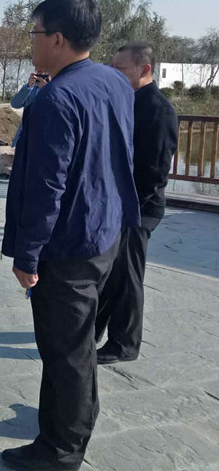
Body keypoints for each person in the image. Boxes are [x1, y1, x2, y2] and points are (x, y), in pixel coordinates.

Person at [1, 0, 140, 471]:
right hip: (105, 231)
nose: (31, 42)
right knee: (76, 344)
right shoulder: (113, 81)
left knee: (65, 350)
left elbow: (47, 188)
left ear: (57, 38)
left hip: (67, 245)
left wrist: (27, 256)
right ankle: (71, 421)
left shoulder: (55, 99)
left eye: (34, 33)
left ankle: (62, 446)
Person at [95, 43, 179, 364]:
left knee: (127, 277)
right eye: (111, 67)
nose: (113, 73)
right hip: (117, 205)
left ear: (144, 70)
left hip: (138, 209)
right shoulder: (124, 101)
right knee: (109, 273)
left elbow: (154, 173)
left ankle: (124, 345)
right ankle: (92, 331)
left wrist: (128, 209)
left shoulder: (158, 110)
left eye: (120, 68)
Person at [10, 69, 50, 146]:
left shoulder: (55, 88)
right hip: (25, 136)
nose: (39, 70)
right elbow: (15, 104)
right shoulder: (31, 88)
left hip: (44, 138)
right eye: (37, 69)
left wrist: (48, 89)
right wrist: (28, 86)